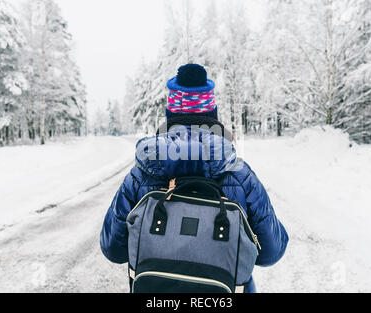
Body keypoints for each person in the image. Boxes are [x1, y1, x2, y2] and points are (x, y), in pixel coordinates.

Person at [100, 64, 289, 293]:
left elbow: (113, 249)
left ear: (170, 115)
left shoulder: (140, 176)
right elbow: (271, 252)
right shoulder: (240, 176)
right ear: (212, 115)